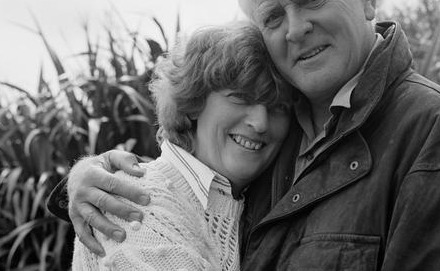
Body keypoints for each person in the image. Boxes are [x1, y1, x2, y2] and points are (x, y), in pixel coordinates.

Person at [50, 0, 440, 269]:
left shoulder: (439, 134)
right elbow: (185, 192)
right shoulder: (279, 140)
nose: (296, 28)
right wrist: (86, 181)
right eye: (273, 16)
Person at [70, 23, 293, 270]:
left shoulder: (254, 201)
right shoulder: (135, 203)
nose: (261, 123)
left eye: (279, 106)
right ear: (194, 102)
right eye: (241, 98)